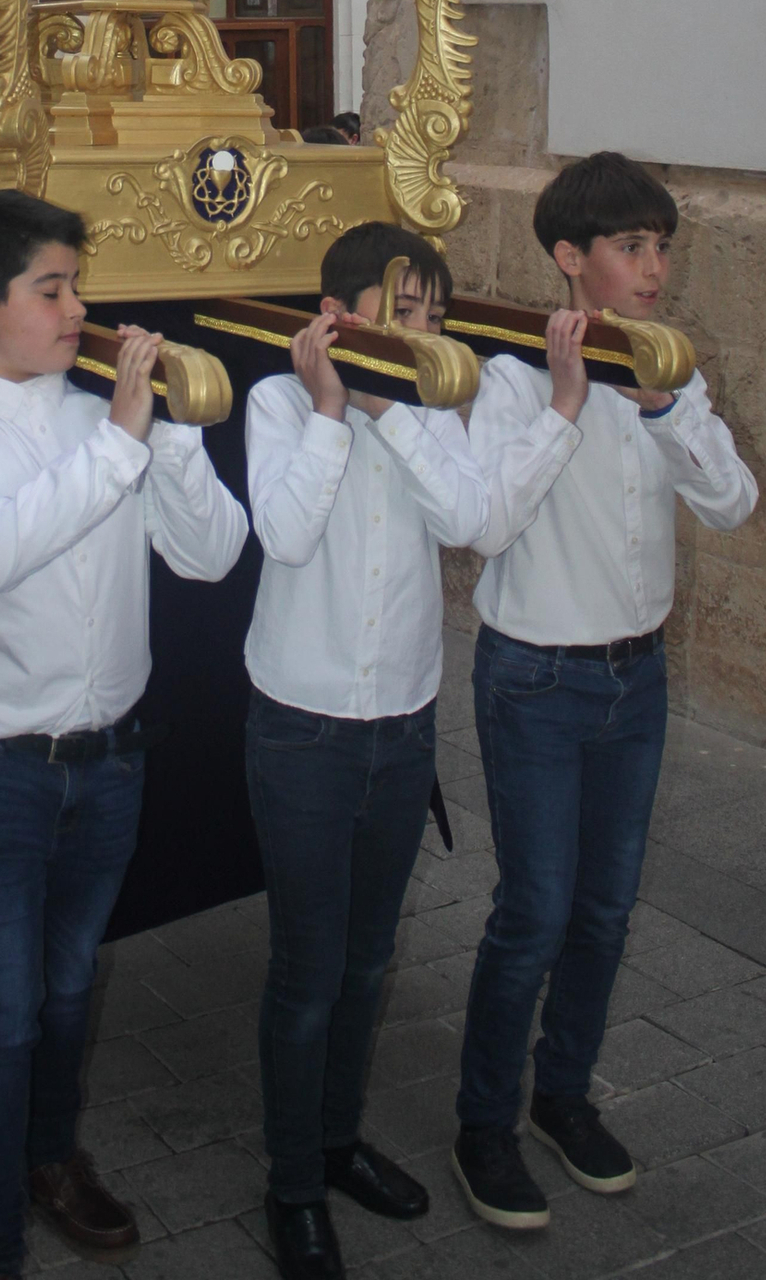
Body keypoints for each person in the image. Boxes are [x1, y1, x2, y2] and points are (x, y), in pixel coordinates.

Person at [0, 189, 249, 1280]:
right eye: (52, 289)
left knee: (68, 988)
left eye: (77, 287)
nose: (78, 309)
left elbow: (211, 557)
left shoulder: (106, 420)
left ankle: (49, 1160)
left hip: (110, 760)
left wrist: (171, 438)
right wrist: (124, 442)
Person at [451, 152, 758, 1232]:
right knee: (533, 911)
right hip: (536, 677)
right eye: (632, 247)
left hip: (638, 677)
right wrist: (569, 403)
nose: (654, 269)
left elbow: (732, 503)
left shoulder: (669, 370)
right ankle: (482, 1124)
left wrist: (665, 407)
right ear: (569, 258)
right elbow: (485, 526)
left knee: (605, 908)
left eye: (660, 246)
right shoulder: (506, 376)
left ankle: (563, 1095)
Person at [245, 223, 488, 1280]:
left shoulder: (433, 409)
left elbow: (468, 518)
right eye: (404, 313)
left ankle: (339, 1140)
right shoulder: (278, 402)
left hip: (403, 720)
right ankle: (293, 1182)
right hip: (302, 724)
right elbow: (286, 534)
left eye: (435, 316)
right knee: (308, 968)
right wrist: (336, 413)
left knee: (370, 956)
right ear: (337, 317)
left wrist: (393, 410)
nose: (422, 333)